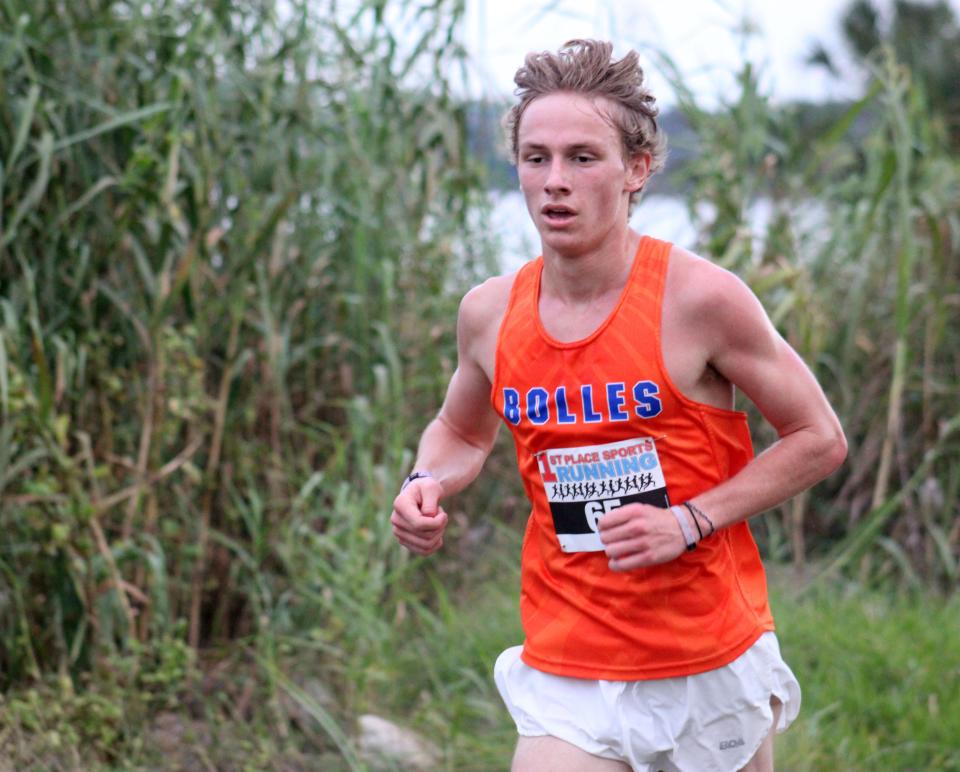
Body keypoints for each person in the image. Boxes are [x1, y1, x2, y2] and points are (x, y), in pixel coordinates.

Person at [390, 39, 847, 772]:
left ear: (637, 169)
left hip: (705, 650)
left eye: (582, 157)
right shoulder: (489, 312)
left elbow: (818, 438)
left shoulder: (700, 299)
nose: (554, 182)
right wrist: (425, 483)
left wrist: (688, 521)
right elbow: (459, 430)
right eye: (535, 158)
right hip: (571, 658)